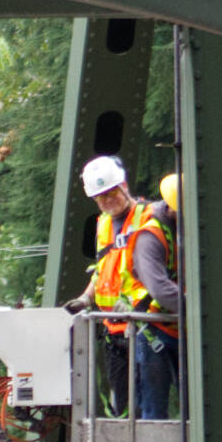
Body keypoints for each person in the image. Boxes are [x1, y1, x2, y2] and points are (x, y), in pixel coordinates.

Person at [65, 156, 182, 420]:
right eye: (101, 198)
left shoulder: (149, 218)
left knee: (148, 404)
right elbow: (103, 267)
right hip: (114, 331)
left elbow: (161, 270)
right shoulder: (103, 224)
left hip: (144, 325)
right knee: (123, 406)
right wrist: (86, 298)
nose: (108, 201)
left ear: (124, 186)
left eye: (111, 193)